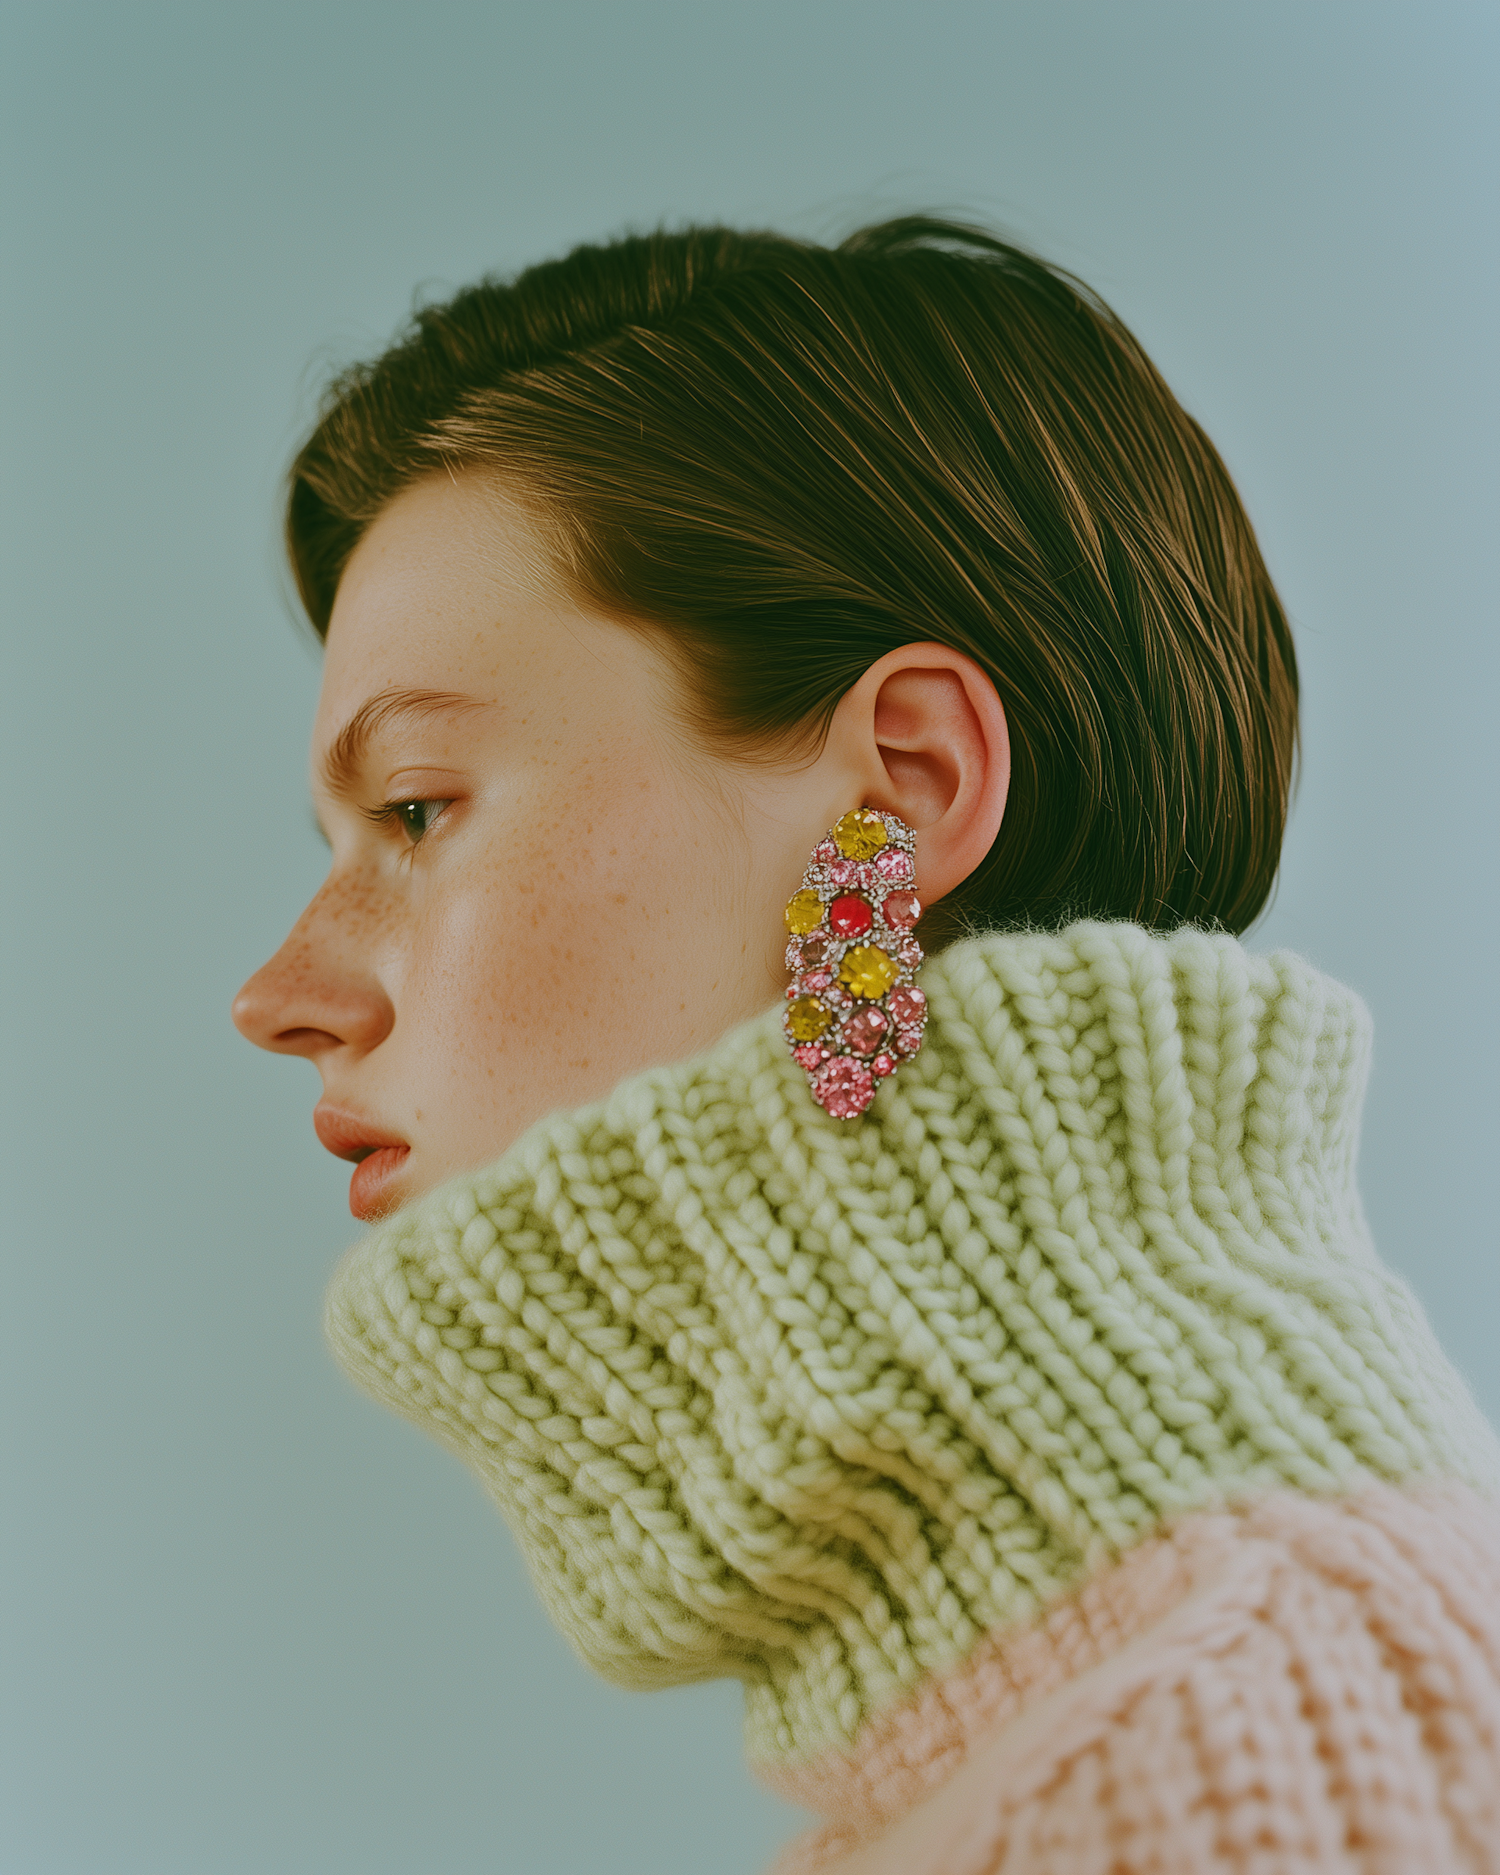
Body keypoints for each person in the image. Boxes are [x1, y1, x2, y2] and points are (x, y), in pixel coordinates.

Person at [233, 219, 1500, 1873]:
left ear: (893, 794)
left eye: (417, 807)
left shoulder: (1233, 1744)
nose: (278, 991)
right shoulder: (1083, 1725)